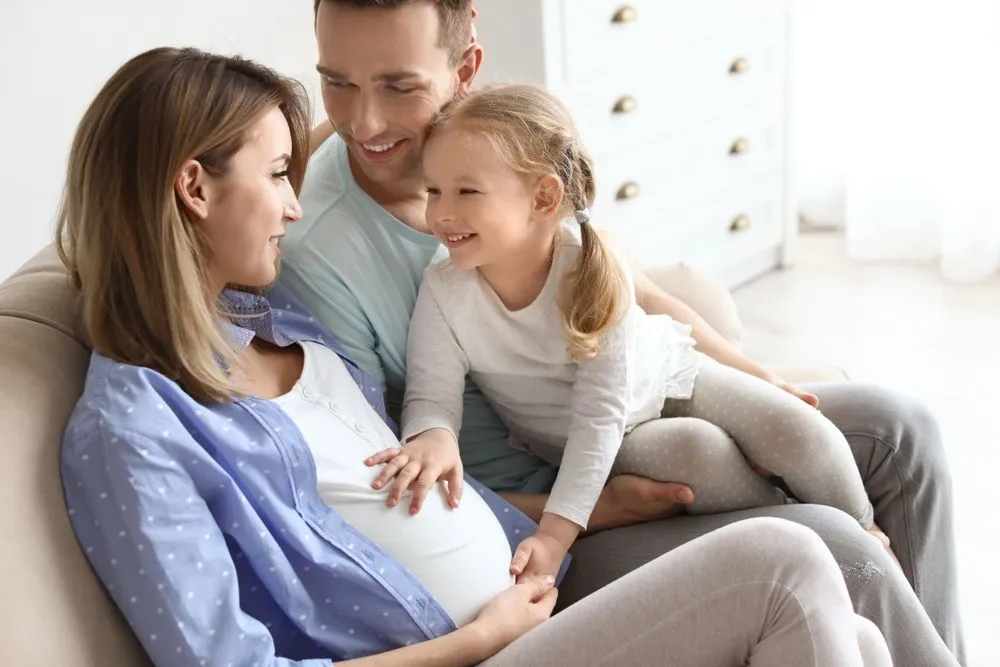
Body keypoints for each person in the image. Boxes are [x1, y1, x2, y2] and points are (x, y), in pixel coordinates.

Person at [57, 45, 894, 667]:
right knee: (785, 561)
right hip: (475, 646)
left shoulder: (274, 315)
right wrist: (481, 638)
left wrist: (577, 515)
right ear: (195, 188)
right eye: (277, 175)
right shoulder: (131, 429)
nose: (292, 205)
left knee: (848, 629)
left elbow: (405, 491)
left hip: (525, 589)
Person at [279, 1, 966, 665]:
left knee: (899, 429)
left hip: (629, 416)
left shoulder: (501, 148)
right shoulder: (320, 250)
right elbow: (383, 487)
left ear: (465, 69)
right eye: (335, 82)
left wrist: (753, 373)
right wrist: (587, 509)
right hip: (539, 519)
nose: (363, 121)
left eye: (399, 86)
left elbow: (627, 290)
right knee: (840, 547)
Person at [385, 83, 880, 580]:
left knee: (793, 427)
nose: (441, 212)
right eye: (433, 190)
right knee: (697, 455)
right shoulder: (444, 290)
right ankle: (809, 540)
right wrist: (433, 435)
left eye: (466, 191)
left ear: (543, 197)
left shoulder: (591, 267)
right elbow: (434, 395)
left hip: (670, 377)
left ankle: (868, 538)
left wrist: (555, 537)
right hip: (608, 439)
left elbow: (603, 403)